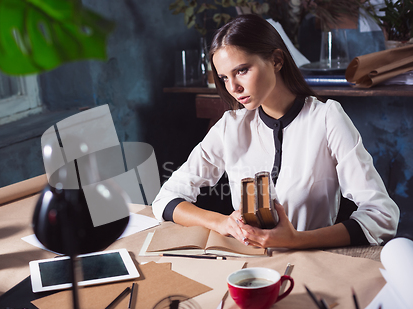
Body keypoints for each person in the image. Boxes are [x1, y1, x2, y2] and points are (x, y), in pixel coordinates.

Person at [152, 14, 399, 249]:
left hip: (310, 264)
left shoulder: (326, 119)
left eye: (242, 70)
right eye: (224, 78)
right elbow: (166, 199)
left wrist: (296, 240)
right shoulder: (231, 126)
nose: (233, 88)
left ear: (276, 60)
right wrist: (222, 222)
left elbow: (382, 215)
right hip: (247, 267)